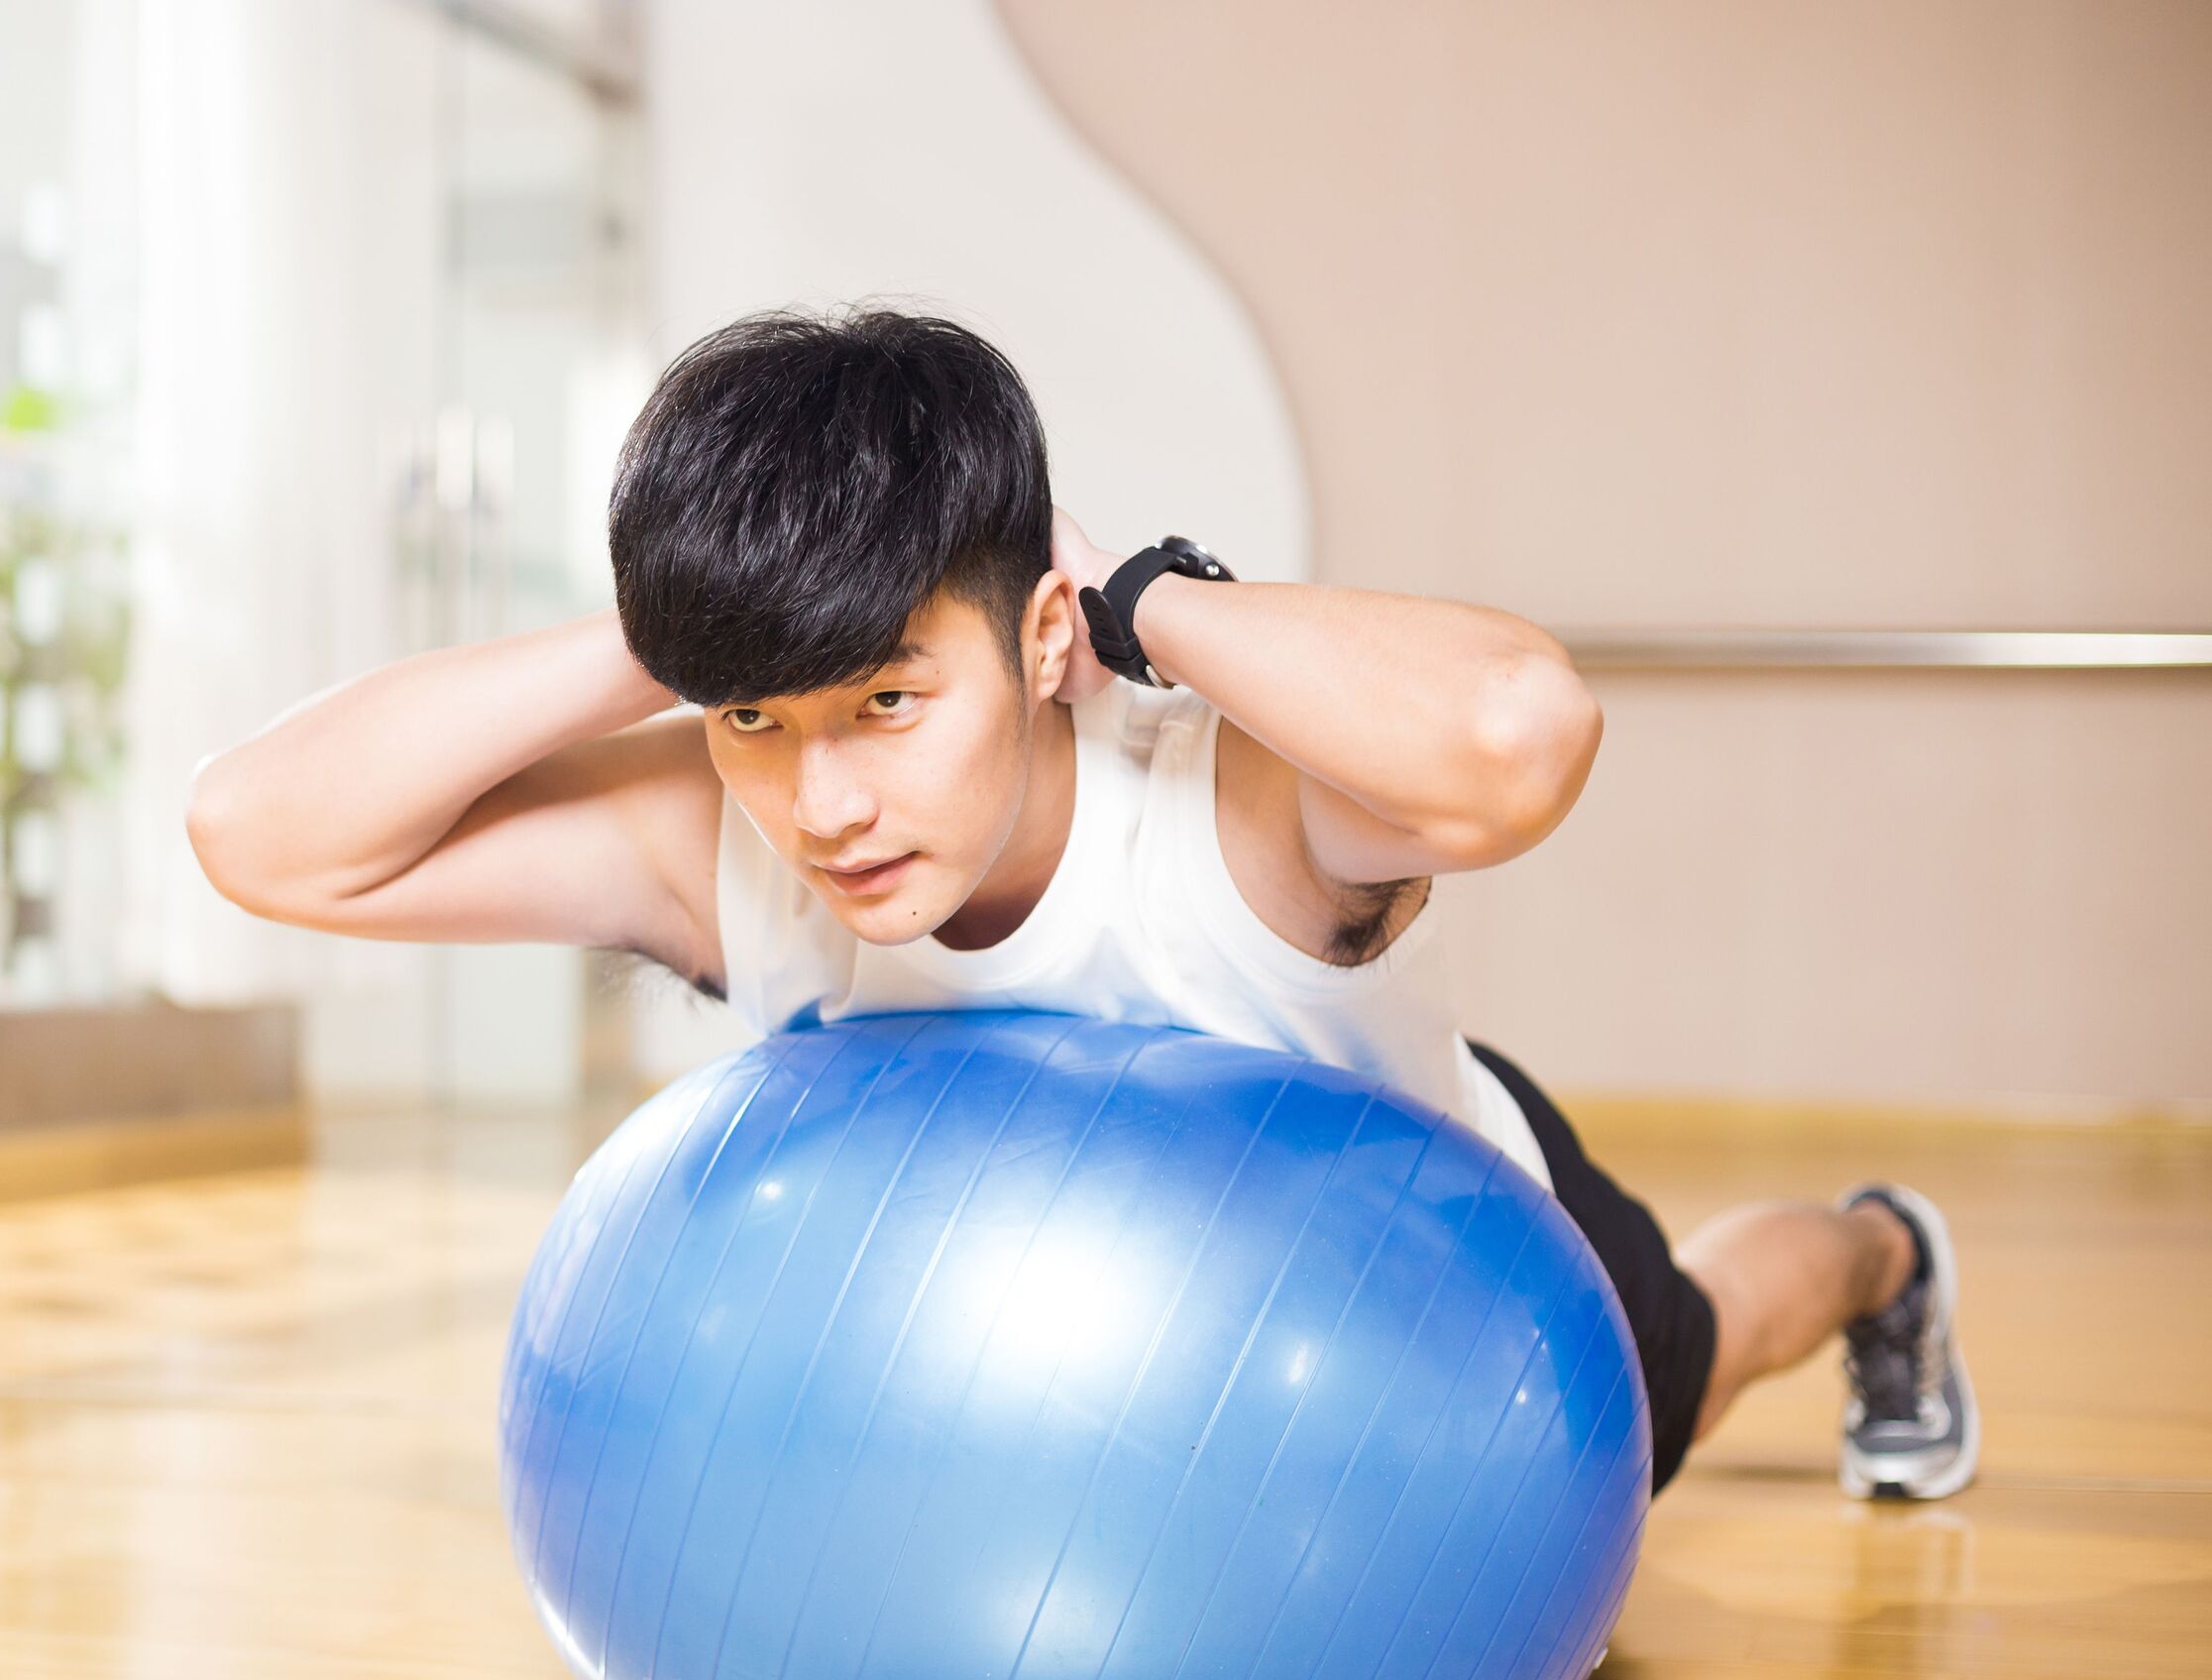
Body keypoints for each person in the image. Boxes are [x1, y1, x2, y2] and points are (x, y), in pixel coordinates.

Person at [185, 305, 1977, 1504]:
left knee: (1707, 1350)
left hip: (1446, 1287)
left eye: (891, 698)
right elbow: (264, 837)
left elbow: (1522, 735)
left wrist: (1133, 601)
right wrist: (684, 638)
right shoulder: (723, 835)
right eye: (757, 719)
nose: (824, 805)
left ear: (1036, 643)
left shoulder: (1227, 811)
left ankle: (1886, 1249)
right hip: (1046, 1392)